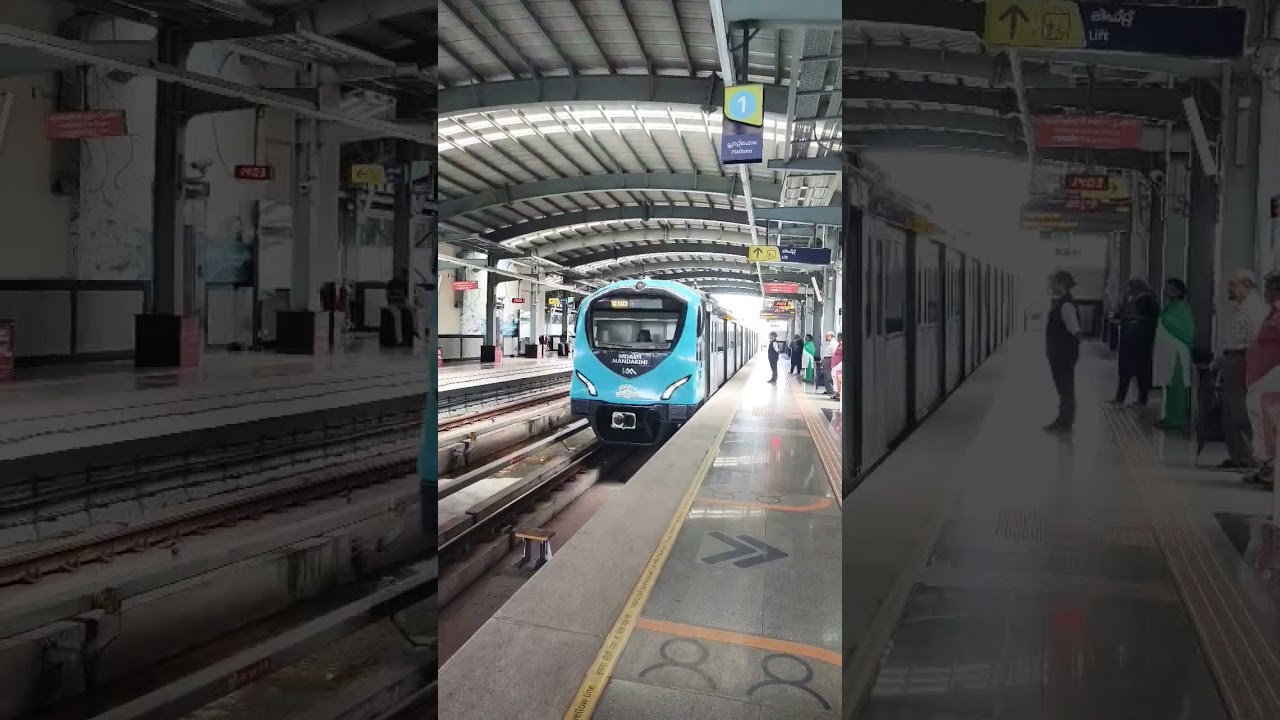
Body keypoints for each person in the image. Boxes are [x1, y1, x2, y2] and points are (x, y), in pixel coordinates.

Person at [1216, 270, 1269, 471]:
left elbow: (1254, 341)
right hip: (1232, 360)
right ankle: (1237, 455)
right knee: (1229, 409)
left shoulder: (1255, 309)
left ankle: (1248, 457)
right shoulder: (1240, 309)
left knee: (1240, 411)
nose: (1229, 288)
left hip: (1242, 361)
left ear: (1247, 285)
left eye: (1233, 284)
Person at [1245, 273, 1280, 485]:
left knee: (1259, 408)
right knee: (1259, 411)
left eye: (1268, 288)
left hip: (1273, 372)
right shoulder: (1272, 312)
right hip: (1263, 374)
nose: (1265, 292)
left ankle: (1270, 463)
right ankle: (1267, 463)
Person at [1154, 278, 1195, 431]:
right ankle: (1169, 416)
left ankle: (1176, 418)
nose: (1167, 291)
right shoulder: (1169, 307)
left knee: (1177, 386)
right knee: (1169, 386)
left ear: (1179, 292)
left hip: (1178, 354)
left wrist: (1166, 320)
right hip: (1168, 354)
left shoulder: (1182, 309)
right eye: (1166, 288)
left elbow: (1187, 331)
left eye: (1171, 289)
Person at [1111, 278, 1160, 406]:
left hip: (1139, 340)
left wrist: (1133, 318)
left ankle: (1139, 398)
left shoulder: (1148, 300)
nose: (1130, 290)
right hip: (1131, 339)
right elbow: (1120, 314)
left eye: (1132, 287)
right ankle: (1122, 397)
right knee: (1128, 370)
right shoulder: (1132, 299)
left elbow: (1152, 319)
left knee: (1139, 370)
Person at [1044, 271, 1083, 433]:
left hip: (1063, 355)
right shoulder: (1063, 303)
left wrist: (1068, 349)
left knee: (1065, 389)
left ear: (1061, 284)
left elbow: (1075, 330)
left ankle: (1064, 423)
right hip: (1061, 354)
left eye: (1054, 283)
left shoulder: (1066, 305)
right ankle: (1063, 420)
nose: (1051, 286)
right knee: (1064, 388)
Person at [385, 268, 410, 346]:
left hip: (401, 303)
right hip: (392, 304)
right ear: (401, 275)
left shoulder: (406, 284)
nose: (404, 278)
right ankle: (399, 340)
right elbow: (388, 296)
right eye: (403, 276)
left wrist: (403, 301)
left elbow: (406, 297)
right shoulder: (392, 283)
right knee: (397, 315)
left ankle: (414, 333)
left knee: (414, 310)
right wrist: (397, 299)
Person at [831, 333, 844, 401]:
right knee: (835, 378)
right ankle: (837, 393)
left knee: (838, 378)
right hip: (835, 364)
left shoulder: (843, 345)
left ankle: (839, 393)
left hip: (839, 364)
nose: (838, 338)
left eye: (839, 337)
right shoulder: (839, 344)